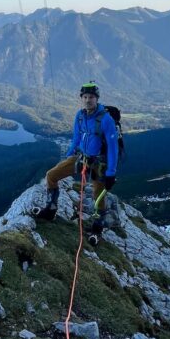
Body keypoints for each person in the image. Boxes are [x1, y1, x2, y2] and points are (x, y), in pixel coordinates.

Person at [35, 81, 120, 242]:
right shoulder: (80, 116)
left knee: (98, 194)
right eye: (85, 97)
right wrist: (69, 155)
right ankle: (51, 209)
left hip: (99, 162)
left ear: (97, 99)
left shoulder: (106, 120)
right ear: (82, 98)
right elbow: (76, 138)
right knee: (51, 175)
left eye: (92, 97)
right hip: (81, 157)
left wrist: (111, 173)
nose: (88, 100)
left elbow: (113, 148)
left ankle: (97, 228)